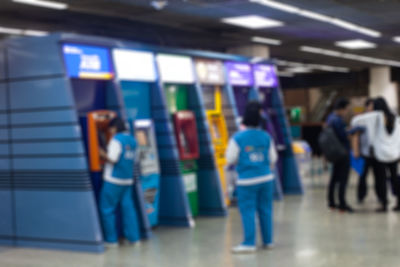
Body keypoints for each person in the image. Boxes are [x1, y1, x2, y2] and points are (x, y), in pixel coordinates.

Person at [226, 101, 277, 254]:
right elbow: (273, 158)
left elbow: (230, 158)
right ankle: (268, 241)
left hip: (246, 181)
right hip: (266, 179)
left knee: (248, 211)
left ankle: (249, 243)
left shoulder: (238, 138)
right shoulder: (266, 136)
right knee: (266, 210)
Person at [351, 97, 400, 212]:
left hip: (380, 154)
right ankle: (398, 202)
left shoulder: (374, 116)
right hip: (394, 153)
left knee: (381, 179)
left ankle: (384, 204)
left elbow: (355, 121)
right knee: (395, 178)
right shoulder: (396, 118)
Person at [99, 117, 140, 247]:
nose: (110, 131)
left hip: (113, 180)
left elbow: (112, 159)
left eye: (110, 128)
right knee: (128, 209)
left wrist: (101, 153)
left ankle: (111, 240)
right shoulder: (133, 140)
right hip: (127, 180)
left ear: (114, 128)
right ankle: (134, 239)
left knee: (107, 209)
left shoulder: (116, 140)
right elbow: (135, 159)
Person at [326, 98, 353, 212]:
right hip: (342, 152)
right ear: (341, 109)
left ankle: (332, 202)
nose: (347, 112)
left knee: (334, 178)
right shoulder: (338, 120)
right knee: (343, 179)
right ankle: (342, 204)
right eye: (346, 109)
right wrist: (352, 131)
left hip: (334, 153)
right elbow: (343, 136)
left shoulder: (330, 118)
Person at [354, 98, 375, 203]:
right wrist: (356, 150)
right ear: (366, 107)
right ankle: (361, 195)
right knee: (363, 175)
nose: (372, 108)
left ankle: (381, 195)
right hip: (365, 152)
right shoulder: (361, 119)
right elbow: (356, 136)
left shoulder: (379, 118)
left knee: (379, 176)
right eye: (370, 106)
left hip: (377, 153)